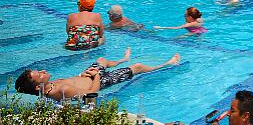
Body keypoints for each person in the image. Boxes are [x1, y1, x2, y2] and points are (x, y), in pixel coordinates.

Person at [14, 47, 180, 101]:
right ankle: (167, 64)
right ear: (37, 87)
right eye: (40, 74)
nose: (43, 71)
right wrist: (97, 76)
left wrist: (83, 73)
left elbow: (75, 82)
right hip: (101, 81)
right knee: (137, 67)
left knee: (101, 59)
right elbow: (92, 96)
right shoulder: (60, 90)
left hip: (88, 76)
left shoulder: (49, 86)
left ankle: (123, 59)